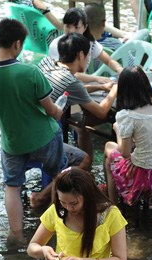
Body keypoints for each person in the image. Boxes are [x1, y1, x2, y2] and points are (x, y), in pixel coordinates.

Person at [0, 18, 66, 233]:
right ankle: (59, 224)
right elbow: (51, 111)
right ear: (17, 44)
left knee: (12, 187)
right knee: (59, 176)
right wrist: (59, 110)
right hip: (44, 138)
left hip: (12, 144)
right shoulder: (30, 72)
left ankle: (16, 235)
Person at [103, 66, 152, 209]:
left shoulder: (127, 115)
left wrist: (118, 130)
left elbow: (125, 153)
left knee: (108, 149)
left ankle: (113, 205)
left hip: (142, 174)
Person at [38, 33, 115, 164]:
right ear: (80, 55)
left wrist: (101, 87)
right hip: (40, 138)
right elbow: (101, 112)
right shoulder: (70, 82)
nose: (88, 59)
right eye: (88, 55)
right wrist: (115, 90)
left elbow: (75, 90)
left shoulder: (47, 62)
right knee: (84, 161)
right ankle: (60, 183)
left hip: (26, 127)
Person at [44, 6, 123, 79]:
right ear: (63, 25)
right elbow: (68, 74)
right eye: (67, 26)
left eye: (76, 27)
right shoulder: (56, 45)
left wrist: (120, 70)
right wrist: (98, 80)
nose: (71, 31)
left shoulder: (90, 43)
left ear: (85, 27)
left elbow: (109, 61)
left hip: (80, 84)